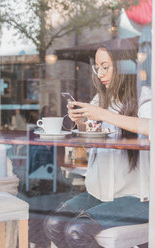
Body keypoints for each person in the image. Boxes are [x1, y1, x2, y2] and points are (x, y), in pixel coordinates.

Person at [43, 43, 151, 248]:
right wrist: (82, 123)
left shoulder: (144, 97)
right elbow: (95, 147)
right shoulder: (99, 99)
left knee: (77, 231)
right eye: (97, 68)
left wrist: (104, 114)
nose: (100, 74)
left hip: (139, 197)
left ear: (124, 67)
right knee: (54, 224)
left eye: (105, 67)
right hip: (100, 193)